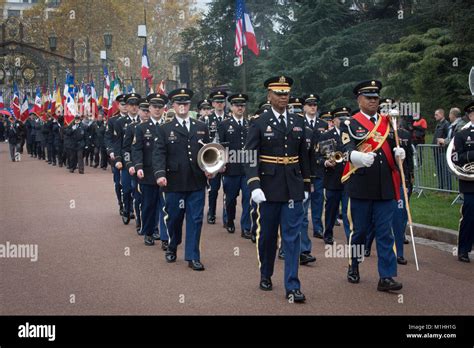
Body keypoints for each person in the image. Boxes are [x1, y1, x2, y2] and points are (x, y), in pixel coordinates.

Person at [245, 75, 311, 303]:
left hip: (292, 186)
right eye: (279, 93)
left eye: (286, 93)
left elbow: (304, 155)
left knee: (292, 237)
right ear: (269, 96)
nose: (284, 97)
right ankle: (266, 273)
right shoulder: (259, 122)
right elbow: (249, 155)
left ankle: (292, 286)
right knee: (267, 237)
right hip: (268, 187)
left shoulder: (298, 121)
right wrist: (254, 184)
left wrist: (306, 184)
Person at [340, 80, 404, 292]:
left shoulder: (388, 122)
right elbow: (344, 149)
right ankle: (354, 264)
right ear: (359, 99)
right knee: (360, 232)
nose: (373, 101)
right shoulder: (350, 123)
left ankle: (386, 276)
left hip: (385, 186)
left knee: (385, 233)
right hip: (361, 186)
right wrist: (356, 156)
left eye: (376, 97)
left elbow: (395, 147)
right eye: (369, 97)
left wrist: (399, 155)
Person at [152, 88, 211, 271]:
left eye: (185, 103)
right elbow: (159, 153)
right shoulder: (164, 129)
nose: (183, 106)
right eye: (179, 103)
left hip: (196, 181)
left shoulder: (201, 127)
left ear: (189, 105)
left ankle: (193, 256)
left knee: (195, 219)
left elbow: (207, 152)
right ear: (173, 106)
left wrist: (210, 169)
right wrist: (160, 174)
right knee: (174, 218)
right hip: (174, 181)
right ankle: (172, 243)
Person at [133, 93, 169, 246]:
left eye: (160, 107)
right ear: (149, 108)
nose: (157, 109)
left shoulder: (169, 126)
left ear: (164, 109)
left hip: (166, 173)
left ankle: (165, 236)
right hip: (147, 173)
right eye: (154, 106)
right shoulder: (141, 128)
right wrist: (138, 166)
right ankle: (148, 231)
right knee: (149, 204)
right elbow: (137, 149)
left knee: (166, 206)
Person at [217, 93, 251, 238]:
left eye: (242, 105)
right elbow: (220, 146)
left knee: (248, 198)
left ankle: (246, 227)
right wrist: (222, 163)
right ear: (231, 107)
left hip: (248, 167)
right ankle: (230, 220)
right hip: (231, 167)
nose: (240, 108)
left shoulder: (250, 124)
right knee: (231, 199)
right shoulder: (224, 124)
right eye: (237, 105)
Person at [318, 107, 351, 244]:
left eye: (345, 118)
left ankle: (350, 236)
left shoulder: (352, 134)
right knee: (331, 208)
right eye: (340, 118)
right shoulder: (326, 135)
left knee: (348, 210)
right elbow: (318, 156)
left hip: (349, 177)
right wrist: (325, 162)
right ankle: (328, 233)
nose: (343, 121)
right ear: (334, 120)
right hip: (333, 178)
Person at [113, 93, 141, 224]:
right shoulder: (120, 122)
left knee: (138, 188)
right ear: (127, 106)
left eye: (136, 105)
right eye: (131, 105)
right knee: (126, 187)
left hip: (140, 159)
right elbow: (118, 143)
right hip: (126, 159)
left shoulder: (143, 121)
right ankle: (126, 209)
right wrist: (118, 159)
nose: (134, 107)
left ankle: (137, 211)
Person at [303, 94, 328, 239]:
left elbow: (325, 146)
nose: (313, 107)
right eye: (310, 105)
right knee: (304, 199)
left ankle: (318, 227)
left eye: (314, 105)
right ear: (305, 107)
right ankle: (303, 226)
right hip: (304, 167)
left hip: (318, 167)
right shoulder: (299, 122)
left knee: (318, 199)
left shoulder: (322, 124)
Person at [452, 102, 474, 263]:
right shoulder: (461, 134)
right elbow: (455, 158)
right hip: (470, 182)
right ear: (470, 115)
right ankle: (463, 249)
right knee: (470, 215)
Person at [206, 90, 228, 225]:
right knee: (213, 189)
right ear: (213, 103)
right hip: (213, 158)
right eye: (217, 102)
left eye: (222, 102)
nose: (220, 104)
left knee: (228, 189)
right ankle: (212, 212)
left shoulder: (230, 118)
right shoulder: (207, 119)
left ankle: (227, 216)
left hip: (228, 157)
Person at [105, 95, 126, 216]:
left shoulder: (134, 120)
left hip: (131, 156)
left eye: (126, 104)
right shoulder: (113, 120)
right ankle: (121, 203)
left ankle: (131, 205)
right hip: (117, 155)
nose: (124, 107)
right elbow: (108, 138)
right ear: (118, 106)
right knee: (118, 182)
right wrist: (111, 151)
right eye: (122, 104)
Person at [432, 108, 451, 191]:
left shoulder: (446, 124)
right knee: (439, 169)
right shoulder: (439, 124)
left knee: (444, 169)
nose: (435, 116)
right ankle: (441, 187)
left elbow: (449, 137)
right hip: (436, 151)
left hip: (443, 151)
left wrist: (443, 142)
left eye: (436, 114)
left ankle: (448, 188)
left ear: (441, 115)